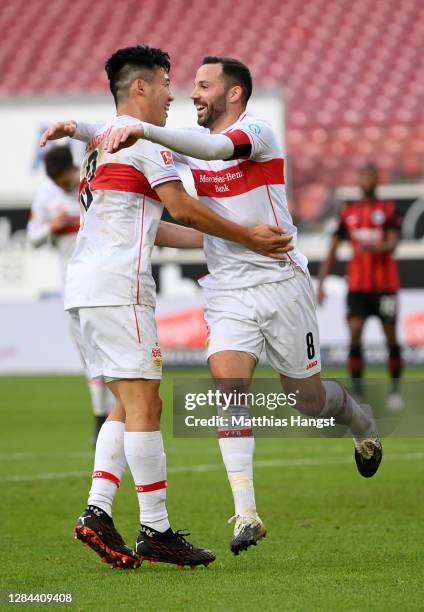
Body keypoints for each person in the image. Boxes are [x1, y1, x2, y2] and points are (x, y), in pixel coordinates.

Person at [44, 56, 382, 559]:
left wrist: (133, 129)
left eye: (204, 86)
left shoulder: (256, 133)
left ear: (235, 94)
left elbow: (213, 147)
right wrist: (91, 130)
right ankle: (245, 512)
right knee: (228, 388)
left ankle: (362, 422)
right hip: (227, 290)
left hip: (280, 281)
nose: (190, 94)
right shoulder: (184, 152)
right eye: (185, 85)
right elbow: (173, 197)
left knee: (305, 400)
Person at [27, 146, 115, 444]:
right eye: (57, 183)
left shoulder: (93, 185)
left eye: (64, 181)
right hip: (72, 289)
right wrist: (50, 228)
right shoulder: (46, 197)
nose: (62, 187)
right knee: (91, 358)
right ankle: (102, 418)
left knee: (112, 354)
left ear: (74, 167)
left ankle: (115, 418)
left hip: (105, 283)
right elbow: (33, 238)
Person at [317, 163, 403, 411]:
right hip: (357, 288)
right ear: (358, 180)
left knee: (391, 339)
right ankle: (359, 394)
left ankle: (395, 392)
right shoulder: (348, 213)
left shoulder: (388, 211)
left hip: (385, 286)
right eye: (363, 176)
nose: (366, 180)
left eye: (371, 176)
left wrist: (372, 246)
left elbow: (393, 244)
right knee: (354, 336)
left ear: (377, 181)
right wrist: (321, 283)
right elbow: (332, 250)